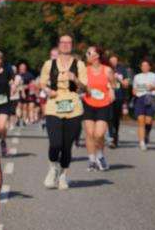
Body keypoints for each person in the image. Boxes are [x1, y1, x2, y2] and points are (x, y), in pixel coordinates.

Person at [39, 34, 87, 189]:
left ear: (72, 45)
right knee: (55, 144)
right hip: (54, 106)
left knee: (67, 146)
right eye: (63, 42)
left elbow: (85, 88)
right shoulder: (49, 64)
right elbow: (42, 83)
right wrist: (47, 90)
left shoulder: (79, 65)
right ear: (58, 44)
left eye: (69, 42)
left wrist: (76, 80)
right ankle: (53, 167)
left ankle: (63, 175)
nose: (66, 44)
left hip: (74, 108)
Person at [81, 45, 114, 172]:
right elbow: (80, 86)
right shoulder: (84, 70)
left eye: (88, 53)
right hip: (88, 103)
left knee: (99, 134)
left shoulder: (107, 70)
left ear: (97, 55)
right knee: (90, 134)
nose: (86, 55)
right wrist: (83, 88)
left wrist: (111, 90)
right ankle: (91, 161)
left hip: (104, 105)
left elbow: (113, 83)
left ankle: (100, 156)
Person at [131, 58, 155, 151]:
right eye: (143, 66)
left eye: (146, 65)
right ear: (140, 67)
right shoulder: (137, 76)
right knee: (141, 121)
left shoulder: (154, 76)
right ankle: (142, 142)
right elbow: (133, 90)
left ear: (149, 67)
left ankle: (147, 134)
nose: (144, 67)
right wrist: (137, 91)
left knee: (148, 121)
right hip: (140, 99)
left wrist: (153, 87)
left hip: (150, 98)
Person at [107, 54, 130, 148]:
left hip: (119, 96)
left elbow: (126, 85)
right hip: (107, 97)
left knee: (116, 118)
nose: (113, 62)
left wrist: (118, 78)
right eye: (111, 60)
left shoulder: (122, 70)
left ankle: (115, 136)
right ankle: (111, 137)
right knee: (109, 117)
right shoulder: (105, 69)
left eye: (115, 60)